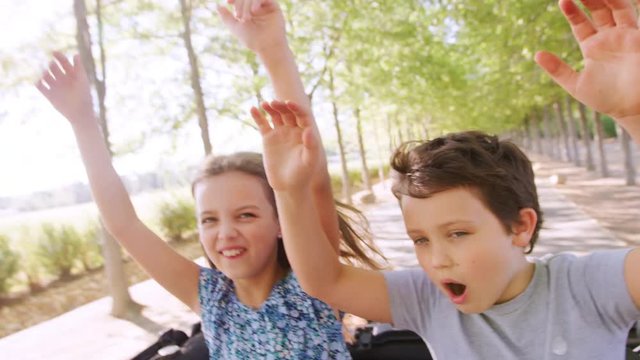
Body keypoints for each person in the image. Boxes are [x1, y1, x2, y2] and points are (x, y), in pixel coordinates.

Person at [250, 0, 640, 358]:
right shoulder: (428, 300)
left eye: (458, 233)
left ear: (521, 226)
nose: (436, 260)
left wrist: (633, 113)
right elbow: (325, 280)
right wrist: (287, 190)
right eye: (420, 239)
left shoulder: (588, 287)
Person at [35, 1, 384, 358]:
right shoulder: (210, 296)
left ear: (282, 222)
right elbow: (123, 224)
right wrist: (82, 121)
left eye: (246, 215)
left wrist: (271, 48)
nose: (225, 233)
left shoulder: (316, 281)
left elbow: (311, 177)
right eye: (209, 220)